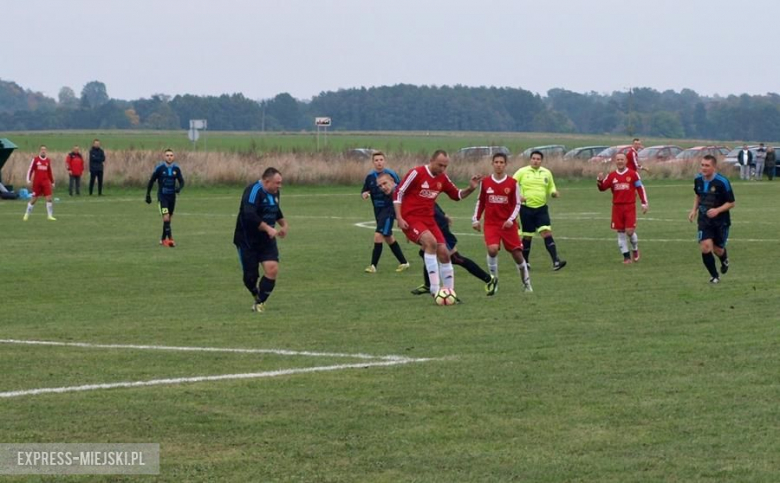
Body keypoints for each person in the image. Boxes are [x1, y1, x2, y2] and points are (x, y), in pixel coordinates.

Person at [376, 173, 496, 297]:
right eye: (380, 186)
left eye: (385, 183)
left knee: (455, 258)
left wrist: (443, 215)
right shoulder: (390, 196)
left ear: (392, 180)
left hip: (438, 225)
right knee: (425, 252)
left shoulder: (405, 189)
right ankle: (429, 285)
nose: (383, 187)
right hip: (425, 226)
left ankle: (488, 279)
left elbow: (429, 201)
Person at [394, 150, 481, 297]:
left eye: (445, 166)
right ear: (431, 160)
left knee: (445, 254)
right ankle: (435, 290)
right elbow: (398, 193)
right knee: (430, 243)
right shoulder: (416, 173)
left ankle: (449, 292)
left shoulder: (443, 178)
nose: (442, 169)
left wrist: (470, 188)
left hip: (429, 220)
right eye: (440, 165)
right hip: (411, 218)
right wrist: (399, 218)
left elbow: (456, 195)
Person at [472, 153, 531, 293]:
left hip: (508, 225)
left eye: (501, 162)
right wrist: (475, 219)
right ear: (492, 164)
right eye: (496, 162)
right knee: (492, 250)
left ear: (505, 164)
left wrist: (511, 220)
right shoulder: (485, 182)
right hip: (491, 224)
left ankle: (527, 283)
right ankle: (494, 282)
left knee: (517, 255)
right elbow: (480, 202)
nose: (499, 164)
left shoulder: (512, 183)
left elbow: (517, 204)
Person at [234, 167, 288, 313]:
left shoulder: (275, 193)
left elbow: (276, 209)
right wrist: (267, 227)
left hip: (266, 240)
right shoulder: (253, 191)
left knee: (272, 269)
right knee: (250, 278)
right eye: (277, 183)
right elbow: (249, 214)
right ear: (266, 181)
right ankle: (165, 233)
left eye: (280, 183)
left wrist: (283, 224)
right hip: (247, 240)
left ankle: (260, 303)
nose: (279, 186)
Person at [512, 150, 566, 271]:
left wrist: (553, 193)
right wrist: (518, 196)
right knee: (527, 237)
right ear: (530, 159)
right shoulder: (522, 172)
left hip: (541, 208)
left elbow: (551, 186)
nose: (535, 161)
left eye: (538, 159)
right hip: (526, 209)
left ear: (541, 161)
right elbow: (511, 185)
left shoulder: (546, 173)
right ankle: (525, 262)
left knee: (546, 232)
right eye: (533, 158)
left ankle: (556, 261)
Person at [688, 155, 735, 284]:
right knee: (705, 247)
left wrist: (717, 210)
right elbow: (698, 195)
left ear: (714, 167)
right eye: (702, 165)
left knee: (718, 249)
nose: (703, 168)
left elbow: (731, 203)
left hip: (721, 221)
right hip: (704, 220)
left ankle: (724, 259)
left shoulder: (722, 182)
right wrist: (694, 210)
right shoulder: (698, 179)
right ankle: (714, 276)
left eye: (707, 165)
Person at [360, 151, 409, 273]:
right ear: (373, 162)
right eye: (376, 160)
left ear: (384, 161)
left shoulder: (391, 174)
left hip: (390, 209)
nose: (379, 162)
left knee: (378, 235)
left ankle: (373, 266)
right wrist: (365, 194)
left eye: (381, 160)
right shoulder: (370, 176)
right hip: (378, 210)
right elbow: (364, 190)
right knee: (388, 237)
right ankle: (404, 262)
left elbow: (400, 188)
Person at [597, 153, 649, 263]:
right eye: (618, 159)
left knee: (629, 232)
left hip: (629, 206)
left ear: (625, 161)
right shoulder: (611, 176)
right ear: (616, 161)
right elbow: (603, 188)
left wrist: (644, 203)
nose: (620, 161)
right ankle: (626, 258)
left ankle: (635, 248)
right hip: (617, 208)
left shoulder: (633, 174)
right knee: (620, 233)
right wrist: (600, 181)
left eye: (622, 159)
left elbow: (640, 188)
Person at [145, 149, 184, 247]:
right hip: (162, 197)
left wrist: (179, 188)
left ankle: (162, 239)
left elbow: (182, 181)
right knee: (166, 217)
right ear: (164, 157)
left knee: (168, 219)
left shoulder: (176, 169)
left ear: (173, 157)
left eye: (171, 155)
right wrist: (148, 194)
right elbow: (151, 181)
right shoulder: (160, 168)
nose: (169, 157)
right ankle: (170, 240)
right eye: (167, 155)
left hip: (172, 197)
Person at [23, 145, 56, 221]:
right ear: (39, 151)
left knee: (49, 199)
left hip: (46, 183)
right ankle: (26, 214)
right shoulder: (35, 160)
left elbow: (49, 172)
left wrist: (52, 182)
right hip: (37, 183)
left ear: (46, 151)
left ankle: (50, 216)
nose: (43, 151)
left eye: (44, 150)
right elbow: (30, 170)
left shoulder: (48, 160)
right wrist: (28, 179)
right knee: (34, 199)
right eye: (42, 149)